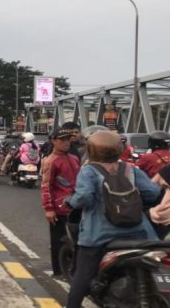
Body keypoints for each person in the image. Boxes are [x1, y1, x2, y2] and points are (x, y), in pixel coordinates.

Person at [65, 131, 161, 308]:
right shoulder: (130, 169)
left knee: (83, 274)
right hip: (140, 233)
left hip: (99, 235)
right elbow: (153, 193)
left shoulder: (89, 171)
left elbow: (84, 197)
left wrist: (70, 201)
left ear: (91, 149)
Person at [40, 128, 80, 277]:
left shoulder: (74, 158)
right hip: (60, 207)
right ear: (54, 141)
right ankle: (58, 271)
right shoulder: (51, 161)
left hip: (76, 205)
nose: (66, 143)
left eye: (68, 139)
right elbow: (46, 186)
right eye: (62, 140)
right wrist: (49, 208)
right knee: (59, 240)